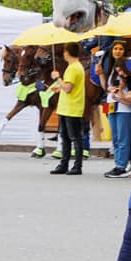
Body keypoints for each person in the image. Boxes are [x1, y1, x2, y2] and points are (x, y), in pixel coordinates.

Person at [102, 41, 131, 178]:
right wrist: (101, 75)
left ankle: (121, 165)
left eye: (120, 49)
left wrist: (122, 86)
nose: (117, 51)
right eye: (115, 49)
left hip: (124, 106)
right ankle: (118, 163)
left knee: (123, 137)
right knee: (116, 137)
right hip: (111, 104)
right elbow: (106, 86)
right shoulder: (111, 67)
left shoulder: (128, 63)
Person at [51, 42, 87, 175]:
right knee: (66, 137)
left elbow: (68, 88)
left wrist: (57, 78)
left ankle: (77, 166)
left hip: (72, 108)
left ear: (67, 52)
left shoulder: (73, 68)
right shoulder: (75, 67)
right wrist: (59, 87)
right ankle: (64, 164)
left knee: (74, 137)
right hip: (67, 107)